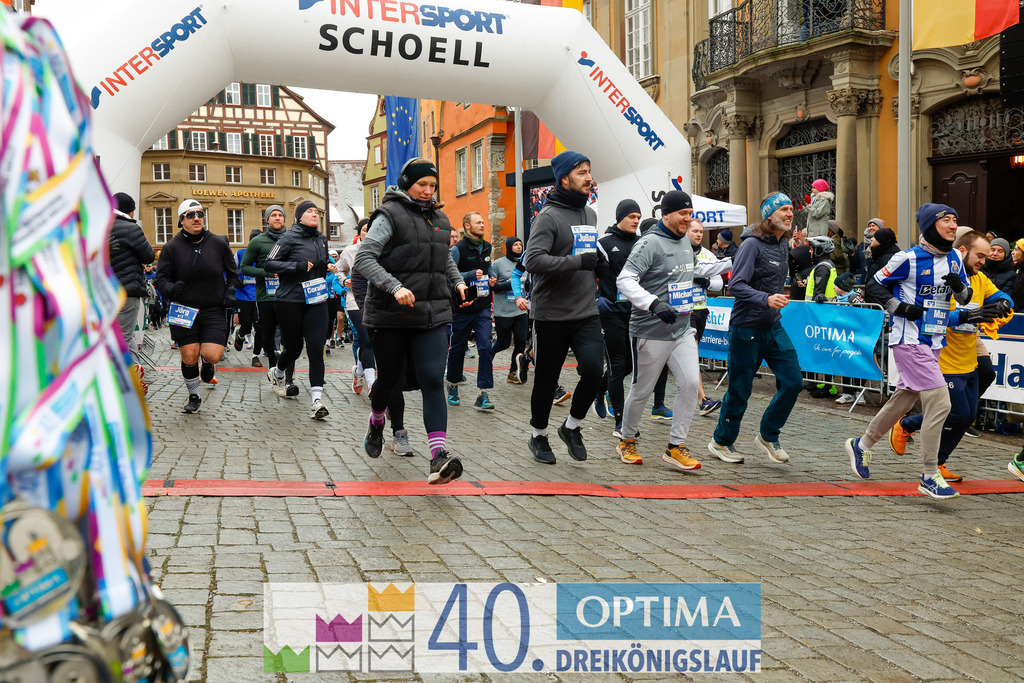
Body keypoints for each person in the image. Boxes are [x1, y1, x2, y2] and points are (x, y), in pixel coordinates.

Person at [845, 203, 975, 500]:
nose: (953, 225)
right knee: (941, 403)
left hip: (936, 340)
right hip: (908, 339)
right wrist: (900, 307)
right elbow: (873, 285)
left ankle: (861, 445)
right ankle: (930, 474)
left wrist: (959, 289)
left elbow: (964, 296)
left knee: (903, 401)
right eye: (946, 220)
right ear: (931, 225)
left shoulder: (955, 256)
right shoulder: (908, 258)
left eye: (956, 220)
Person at [354, 157, 469, 485]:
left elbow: (443, 257)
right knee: (389, 380)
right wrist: (394, 286)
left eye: (433, 186)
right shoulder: (389, 215)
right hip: (390, 315)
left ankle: (438, 458)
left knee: (433, 379)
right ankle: (377, 422)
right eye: (422, 185)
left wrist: (458, 281)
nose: (428, 191)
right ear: (407, 184)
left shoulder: (440, 218)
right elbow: (364, 257)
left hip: (432, 314)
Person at [615, 191, 732, 470]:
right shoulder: (649, 243)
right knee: (641, 390)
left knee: (691, 384)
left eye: (690, 214)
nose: (688, 219)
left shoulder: (683, 242)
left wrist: (735, 260)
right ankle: (626, 440)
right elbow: (625, 280)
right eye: (683, 214)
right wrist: (653, 304)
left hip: (682, 329)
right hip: (650, 330)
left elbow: (697, 267)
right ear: (666, 214)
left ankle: (675, 446)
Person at [889, 231, 1013, 482]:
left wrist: (1003, 303)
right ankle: (909, 428)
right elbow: (931, 319)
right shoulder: (943, 279)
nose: (984, 261)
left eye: (986, 256)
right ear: (963, 252)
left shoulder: (979, 278)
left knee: (968, 411)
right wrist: (968, 316)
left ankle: (939, 459)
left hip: (969, 346)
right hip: (942, 351)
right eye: (980, 255)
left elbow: (1002, 295)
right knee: (957, 413)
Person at [521, 150, 606, 465]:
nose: (589, 178)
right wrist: (578, 262)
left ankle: (572, 427)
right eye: (582, 172)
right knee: (546, 379)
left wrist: (600, 266)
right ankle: (539, 436)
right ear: (565, 179)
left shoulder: (591, 215)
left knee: (595, 370)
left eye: (589, 171)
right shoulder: (548, 216)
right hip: (550, 316)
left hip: (585, 311)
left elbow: (586, 255)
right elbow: (533, 260)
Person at [708, 192, 803, 465]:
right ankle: (721, 442)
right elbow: (736, 284)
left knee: (793, 381)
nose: (789, 214)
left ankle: (768, 435)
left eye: (791, 209)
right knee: (740, 389)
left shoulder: (783, 244)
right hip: (746, 328)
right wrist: (766, 298)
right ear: (769, 214)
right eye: (784, 209)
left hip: (773, 326)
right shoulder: (751, 245)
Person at [155, 199, 238, 414]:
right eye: (190, 215)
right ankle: (194, 395)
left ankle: (208, 364)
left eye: (200, 214)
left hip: (213, 308)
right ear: (181, 221)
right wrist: (173, 289)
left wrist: (230, 292)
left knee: (212, 354)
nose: (196, 218)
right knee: (189, 356)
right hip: (184, 309)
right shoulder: (171, 248)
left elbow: (233, 273)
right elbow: (161, 280)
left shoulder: (218, 243)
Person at [264, 201, 332, 420]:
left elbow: (318, 268)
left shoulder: (322, 239)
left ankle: (316, 401)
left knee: (315, 347)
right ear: (300, 217)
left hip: (317, 299)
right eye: (309, 211)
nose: (314, 214)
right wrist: (296, 266)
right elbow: (269, 264)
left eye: (316, 212)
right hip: (290, 301)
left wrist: (328, 268)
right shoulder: (287, 238)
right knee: (293, 348)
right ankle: (278, 371)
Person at [595, 199, 642, 434]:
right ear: (620, 217)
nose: (636, 221)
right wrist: (596, 297)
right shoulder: (603, 244)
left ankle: (599, 389)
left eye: (638, 218)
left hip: (635, 312)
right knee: (618, 363)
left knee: (632, 365)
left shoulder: (642, 243)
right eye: (632, 216)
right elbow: (586, 273)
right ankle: (620, 423)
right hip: (611, 312)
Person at [447, 211, 497, 411]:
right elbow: (447, 272)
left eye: (483, 222)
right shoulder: (458, 249)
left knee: (485, 346)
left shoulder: (486, 247)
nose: (483, 225)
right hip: (462, 307)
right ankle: (452, 385)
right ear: (467, 226)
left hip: (482, 305)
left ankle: (483, 393)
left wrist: (491, 276)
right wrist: (468, 275)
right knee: (458, 348)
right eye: (479, 222)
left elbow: (489, 267)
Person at [242, 205, 295, 392]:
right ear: (267, 220)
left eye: (280, 215)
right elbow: (244, 267)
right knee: (269, 333)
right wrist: (266, 272)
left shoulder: (293, 239)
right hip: (266, 296)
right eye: (273, 215)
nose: (277, 218)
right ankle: (273, 368)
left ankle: (288, 378)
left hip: (290, 295)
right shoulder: (258, 242)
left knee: (290, 336)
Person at [687, 217, 729, 417]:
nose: (698, 234)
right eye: (694, 231)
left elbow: (718, 284)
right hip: (683, 311)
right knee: (692, 353)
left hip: (701, 309)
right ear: (686, 231)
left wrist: (704, 283)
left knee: (687, 357)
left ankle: (661, 402)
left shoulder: (707, 255)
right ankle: (702, 399)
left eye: (701, 232)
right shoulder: (679, 252)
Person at [108, 192, 155, 353]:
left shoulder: (97, 225)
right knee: (125, 337)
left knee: (114, 336)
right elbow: (148, 256)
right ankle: (132, 375)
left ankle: (133, 372)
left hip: (103, 291)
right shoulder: (131, 228)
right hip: (128, 290)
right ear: (130, 211)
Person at [492, 235, 530, 385]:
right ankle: (488, 356)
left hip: (520, 310)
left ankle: (513, 372)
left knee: (521, 341)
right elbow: (492, 286)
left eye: (520, 244)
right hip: (503, 311)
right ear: (509, 247)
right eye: (515, 245)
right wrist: (507, 285)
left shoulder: (525, 263)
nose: (519, 247)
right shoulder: (499, 264)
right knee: (504, 343)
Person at [233, 228, 264, 366]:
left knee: (259, 327)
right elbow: (230, 270)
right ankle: (240, 335)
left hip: (259, 295)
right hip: (243, 295)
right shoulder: (239, 254)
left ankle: (255, 356)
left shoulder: (264, 255)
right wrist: (235, 281)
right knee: (246, 326)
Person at [862, 227, 899, 305]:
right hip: (877, 302)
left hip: (881, 304)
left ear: (882, 240)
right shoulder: (879, 255)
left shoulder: (889, 258)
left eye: (875, 237)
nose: (871, 239)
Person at [804, 235, 838, 302]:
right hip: (826, 308)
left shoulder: (822, 267)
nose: (810, 251)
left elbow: (818, 293)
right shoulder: (826, 264)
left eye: (812, 249)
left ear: (819, 250)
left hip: (818, 309)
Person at [856, 218, 884, 282]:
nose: (871, 228)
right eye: (869, 226)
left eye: (873, 226)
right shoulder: (862, 245)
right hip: (864, 278)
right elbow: (857, 262)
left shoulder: (883, 243)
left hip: (878, 279)